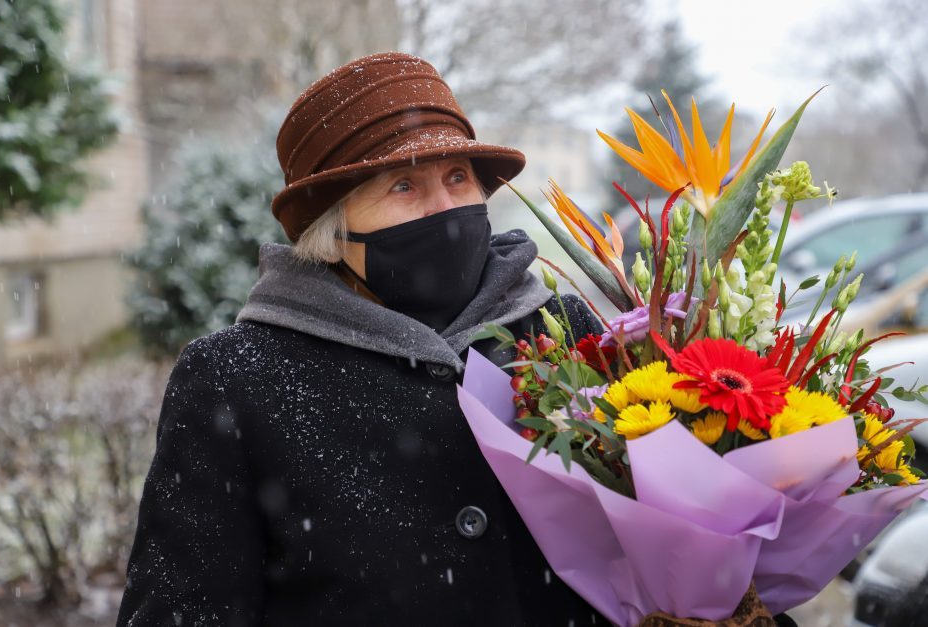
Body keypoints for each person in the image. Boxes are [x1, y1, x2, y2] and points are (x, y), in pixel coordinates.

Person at [116, 52, 606, 626]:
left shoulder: (563, 331)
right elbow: (183, 610)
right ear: (332, 229)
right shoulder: (235, 379)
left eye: (457, 178)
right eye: (404, 185)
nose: (446, 208)